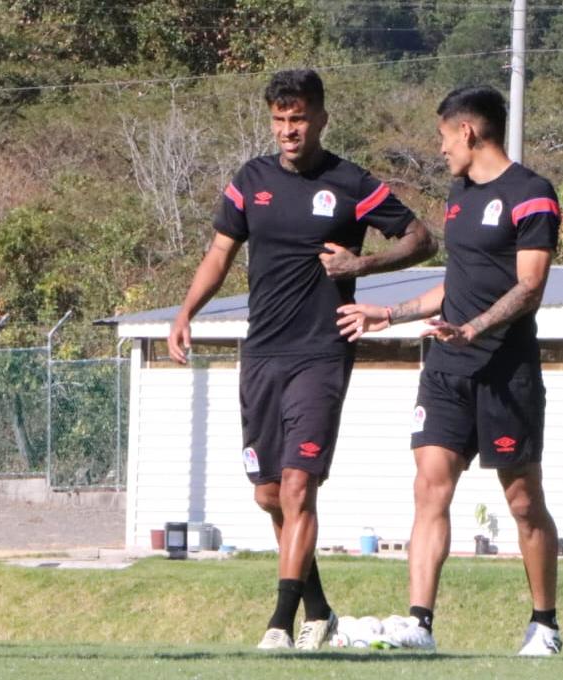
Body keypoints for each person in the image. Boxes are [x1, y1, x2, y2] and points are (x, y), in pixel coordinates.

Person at [168, 69, 435, 651]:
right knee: (268, 494)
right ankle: (320, 608)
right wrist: (187, 310)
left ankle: (281, 624)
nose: (289, 130)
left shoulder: (349, 181)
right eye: (279, 120)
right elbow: (219, 252)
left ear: (320, 118)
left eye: (299, 118)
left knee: (298, 486)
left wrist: (361, 267)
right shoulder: (251, 179)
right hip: (261, 350)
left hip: (321, 351)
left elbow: (421, 238)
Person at [337, 86, 563, 656]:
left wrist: (474, 328)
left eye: (442, 137)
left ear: (467, 131)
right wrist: (389, 314)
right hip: (445, 368)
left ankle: (544, 625)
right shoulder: (458, 193)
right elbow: (455, 285)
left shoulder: (533, 194)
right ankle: (420, 625)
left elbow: (530, 286)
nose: (439, 150)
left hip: (505, 370)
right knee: (429, 488)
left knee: (522, 502)